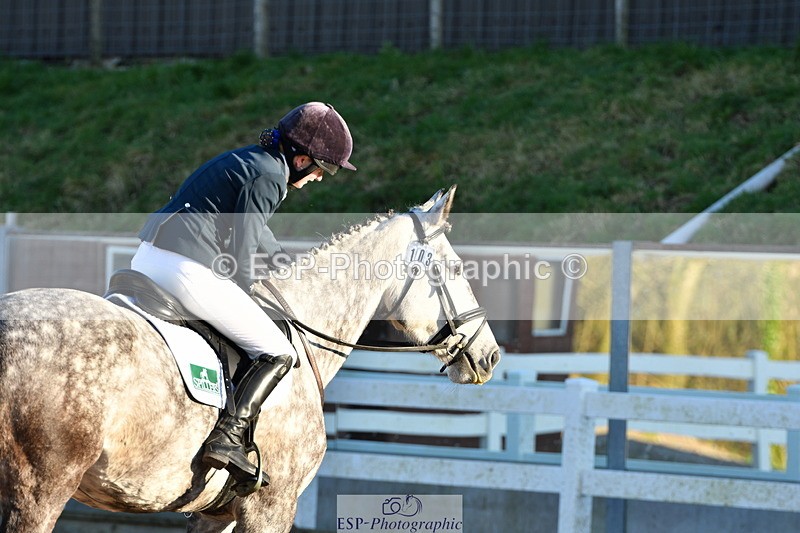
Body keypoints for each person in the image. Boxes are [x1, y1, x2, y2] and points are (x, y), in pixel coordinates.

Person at [131, 102, 356, 492]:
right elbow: (241, 256)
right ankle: (228, 438)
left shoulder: (254, 160)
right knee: (278, 350)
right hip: (186, 267)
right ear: (301, 158)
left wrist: (282, 260)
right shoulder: (271, 177)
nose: (321, 177)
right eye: (324, 168)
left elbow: (252, 226)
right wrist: (255, 291)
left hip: (150, 257)